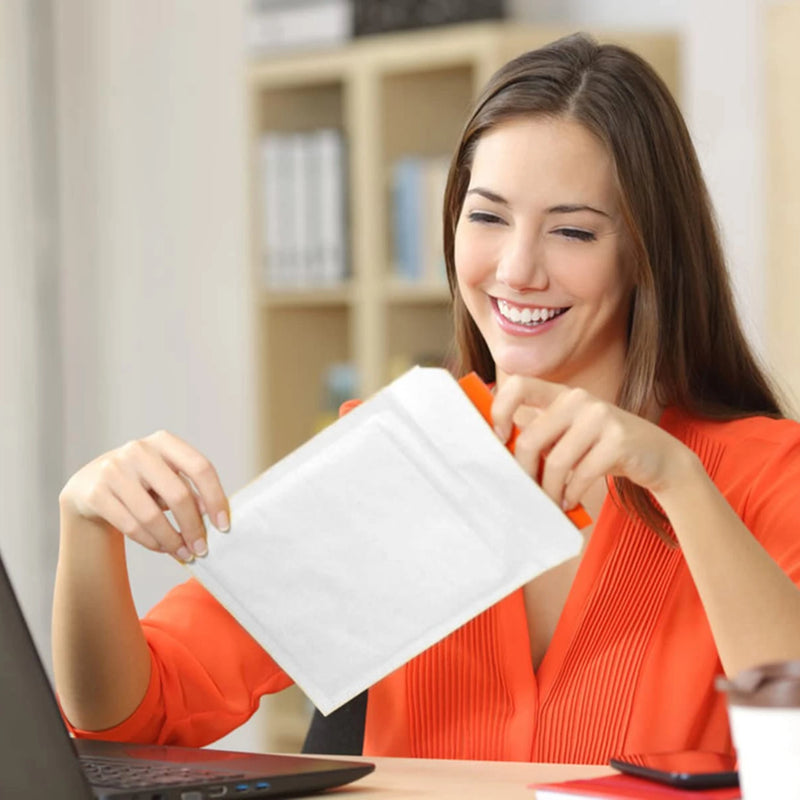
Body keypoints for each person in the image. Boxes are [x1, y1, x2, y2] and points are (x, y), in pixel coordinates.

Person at [53, 32, 800, 764]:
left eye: (572, 231)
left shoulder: (762, 475)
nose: (516, 269)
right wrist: (86, 523)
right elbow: (131, 717)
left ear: (646, 254)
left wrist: (679, 483)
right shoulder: (396, 458)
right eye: (486, 217)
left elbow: (793, 738)